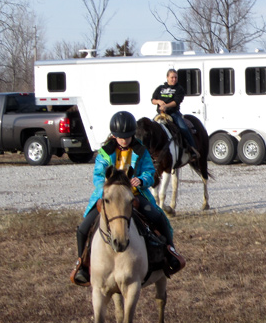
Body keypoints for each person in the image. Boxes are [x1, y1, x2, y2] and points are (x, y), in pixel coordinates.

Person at [71, 111, 184, 286]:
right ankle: (82, 264)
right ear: (114, 136)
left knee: (159, 217)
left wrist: (142, 180)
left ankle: (171, 253)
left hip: (135, 195)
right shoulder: (104, 153)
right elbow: (98, 176)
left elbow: (149, 172)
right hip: (109, 196)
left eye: (127, 137)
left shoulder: (141, 151)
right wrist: (108, 186)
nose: (124, 140)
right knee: (83, 227)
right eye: (120, 137)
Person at [151, 69, 199, 159]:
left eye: (176, 77)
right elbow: (153, 100)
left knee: (184, 128)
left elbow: (176, 102)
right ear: (167, 77)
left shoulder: (179, 89)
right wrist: (158, 101)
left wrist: (166, 106)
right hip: (160, 114)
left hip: (173, 113)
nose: (174, 79)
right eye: (172, 77)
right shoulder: (160, 88)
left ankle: (192, 149)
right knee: (150, 129)